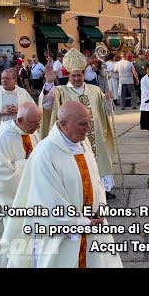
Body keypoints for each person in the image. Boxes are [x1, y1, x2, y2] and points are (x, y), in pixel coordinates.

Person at [1, 102, 123, 268]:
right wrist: (81, 222)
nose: (88, 128)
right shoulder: (45, 154)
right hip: (64, 235)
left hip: (93, 224)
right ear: (64, 124)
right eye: (83, 124)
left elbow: (96, 181)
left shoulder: (83, 144)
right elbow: (48, 202)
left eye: (89, 122)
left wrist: (100, 207)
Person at [41, 48, 117, 201]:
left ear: (84, 75)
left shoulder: (95, 90)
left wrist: (108, 100)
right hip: (73, 137)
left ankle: (102, 188)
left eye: (79, 75)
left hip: (96, 134)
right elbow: (47, 105)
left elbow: (107, 111)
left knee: (99, 160)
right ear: (68, 75)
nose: (77, 78)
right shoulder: (60, 91)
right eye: (73, 75)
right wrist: (49, 83)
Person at [0, 102, 41, 268]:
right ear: (20, 120)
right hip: (10, 197)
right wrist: (27, 165)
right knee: (12, 234)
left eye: (39, 122)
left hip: (31, 194)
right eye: (35, 122)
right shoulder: (4, 137)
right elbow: (2, 175)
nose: (38, 126)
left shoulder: (31, 132)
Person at [0, 69, 34, 195]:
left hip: (19, 134)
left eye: (7, 78)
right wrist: (0, 112)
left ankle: (21, 189)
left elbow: (32, 109)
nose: (4, 80)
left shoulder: (23, 93)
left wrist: (19, 109)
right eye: (2, 78)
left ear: (15, 80)